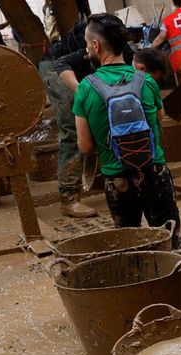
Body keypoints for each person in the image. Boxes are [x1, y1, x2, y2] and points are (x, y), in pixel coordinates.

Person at [73, 14, 180, 235]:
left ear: (96, 45)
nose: (86, 50)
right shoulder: (145, 80)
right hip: (154, 172)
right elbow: (158, 121)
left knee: (131, 245)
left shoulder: (85, 87)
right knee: (168, 238)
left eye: (87, 44)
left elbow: (84, 146)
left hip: (117, 179)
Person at [48, 19, 134, 218]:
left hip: (92, 79)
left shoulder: (126, 52)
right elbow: (61, 64)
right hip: (60, 72)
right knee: (73, 131)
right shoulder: (86, 48)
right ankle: (69, 197)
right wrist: (84, 94)